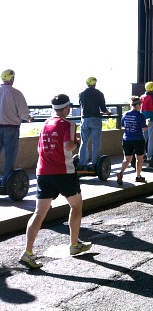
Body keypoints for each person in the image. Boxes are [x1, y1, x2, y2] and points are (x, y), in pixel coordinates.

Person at [19, 94, 92, 269]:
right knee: (76, 206)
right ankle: (74, 244)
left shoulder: (45, 123)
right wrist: (77, 143)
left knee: (39, 213)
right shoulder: (68, 124)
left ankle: (28, 252)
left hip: (43, 172)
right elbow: (68, 146)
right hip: (64, 172)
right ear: (67, 108)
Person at [0, 69, 33, 195]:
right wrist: (29, 118)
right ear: (11, 79)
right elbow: (23, 113)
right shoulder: (16, 93)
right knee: (10, 156)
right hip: (11, 128)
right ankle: (5, 182)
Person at [78, 76, 111, 170]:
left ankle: (82, 163)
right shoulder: (99, 94)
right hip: (96, 119)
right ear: (95, 84)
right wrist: (108, 113)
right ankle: (94, 163)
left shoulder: (82, 94)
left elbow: (81, 105)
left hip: (85, 119)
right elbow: (103, 109)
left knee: (84, 142)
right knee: (96, 142)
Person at [116, 96, 147, 185]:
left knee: (127, 159)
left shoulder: (125, 114)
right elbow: (144, 129)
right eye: (140, 104)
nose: (141, 106)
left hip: (127, 139)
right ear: (137, 105)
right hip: (138, 139)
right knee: (139, 159)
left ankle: (121, 172)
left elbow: (123, 125)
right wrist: (148, 124)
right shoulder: (140, 115)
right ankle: (138, 176)